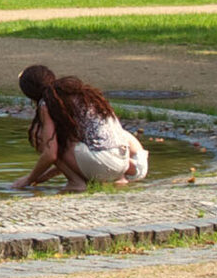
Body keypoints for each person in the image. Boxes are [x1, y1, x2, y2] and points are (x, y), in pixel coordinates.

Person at [8, 64, 149, 192]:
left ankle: (76, 183)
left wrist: (29, 179)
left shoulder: (47, 104)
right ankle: (115, 181)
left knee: (40, 135)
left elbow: (51, 154)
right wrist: (44, 176)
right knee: (70, 139)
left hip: (101, 164)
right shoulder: (82, 96)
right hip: (122, 164)